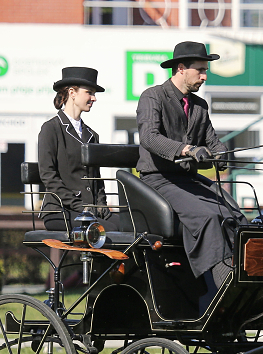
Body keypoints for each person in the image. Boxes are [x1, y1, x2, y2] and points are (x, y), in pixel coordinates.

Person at [136, 41, 245, 285]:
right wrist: (187, 149)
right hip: (158, 179)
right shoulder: (153, 97)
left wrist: (221, 155)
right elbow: (149, 138)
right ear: (182, 68)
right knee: (207, 217)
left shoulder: (199, 106)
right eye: (201, 70)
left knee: (235, 215)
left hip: (187, 180)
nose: (205, 77)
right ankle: (222, 284)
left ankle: (243, 275)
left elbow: (212, 141)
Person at [38, 67, 119, 231]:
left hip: (89, 211)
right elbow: (48, 176)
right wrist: (80, 206)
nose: (94, 98)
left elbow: (97, 177)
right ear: (72, 93)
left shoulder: (91, 135)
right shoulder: (51, 129)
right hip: (60, 211)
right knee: (110, 231)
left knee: (132, 228)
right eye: (89, 92)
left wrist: (102, 205)